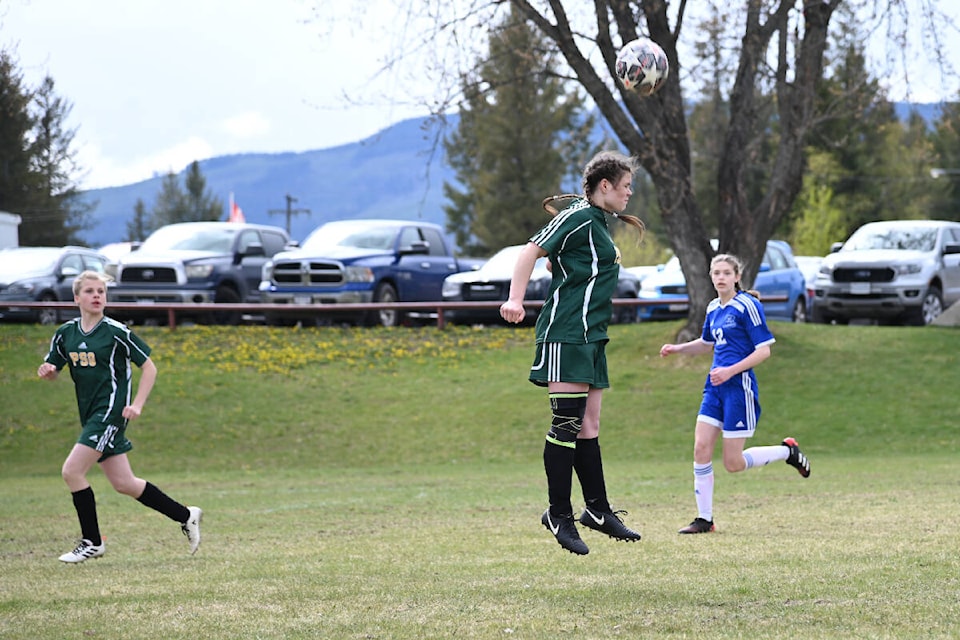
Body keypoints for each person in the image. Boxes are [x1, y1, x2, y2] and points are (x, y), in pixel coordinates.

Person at [500, 150, 646, 555]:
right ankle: (558, 514)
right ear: (605, 186)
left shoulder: (598, 222)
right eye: (626, 185)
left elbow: (573, 267)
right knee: (567, 422)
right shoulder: (578, 215)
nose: (630, 192)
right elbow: (531, 250)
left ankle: (597, 510)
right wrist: (515, 300)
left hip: (592, 336)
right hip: (566, 333)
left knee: (589, 425)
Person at [38, 270, 202, 562]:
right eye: (89, 291)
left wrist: (137, 404)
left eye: (101, 291)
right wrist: (48, 372)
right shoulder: (66, 334)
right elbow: (53, 368)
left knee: (71, 472)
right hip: (89, 415)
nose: (97, 296)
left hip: (111, 413)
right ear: (76, 297)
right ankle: (186, 514)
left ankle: (92, 541)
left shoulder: (116, 332)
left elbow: (149, 367)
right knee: (124, 483)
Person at [659, 253, 810, 534]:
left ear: (737, 277)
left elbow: (763, 350)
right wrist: (678, 348)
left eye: (726, 273)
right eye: (716, 273)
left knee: (733, 464)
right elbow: (706, 344)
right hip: (713, 389)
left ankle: (787, 451)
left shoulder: (747, 305)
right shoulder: (713, 308)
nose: (720, 278)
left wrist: (730, 371)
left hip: (739, 389)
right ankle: (705, 519)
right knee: (701, 448)